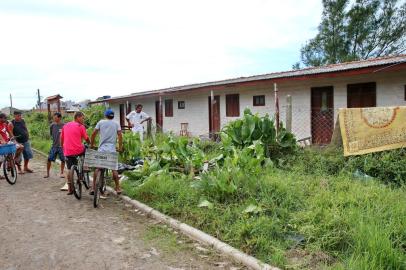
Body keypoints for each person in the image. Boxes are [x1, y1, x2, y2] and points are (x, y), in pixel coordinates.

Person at [90, 108, 123, 195]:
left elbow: (93, 134)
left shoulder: (101, 122)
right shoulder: (116, 123)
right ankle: (118, 188)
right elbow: (120, 135)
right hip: (111, 149)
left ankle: (93, 187)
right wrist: (120, 147)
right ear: (113, 116)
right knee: (114, 169)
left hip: (102, 149)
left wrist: (92, 144)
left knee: (97, 168)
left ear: (105, 115)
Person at [61, 111, 90, 195]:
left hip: (67, 150)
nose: (83, 120)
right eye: (82, 118)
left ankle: (70, 189)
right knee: (86, 149)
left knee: (69, 169)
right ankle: (85, 166)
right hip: (78, 150)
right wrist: (89, 143)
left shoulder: (65, 125)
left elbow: (61, 138)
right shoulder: (81, 126)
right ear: (78, 117)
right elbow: (86, 138)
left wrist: (62, 146)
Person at [44, 112, 65, 179]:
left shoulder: (64, 125)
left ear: (59, 118)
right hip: (54, 146)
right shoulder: (52, 125)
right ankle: (47, 173)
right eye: (54, 117)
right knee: (49, 159)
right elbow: (51, 134)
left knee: (63, 160)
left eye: (55, 117)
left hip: (62, 146)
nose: (54, 119)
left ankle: (61, 173)